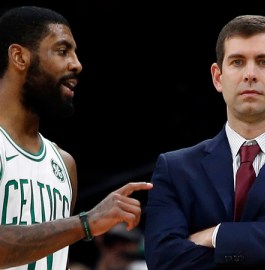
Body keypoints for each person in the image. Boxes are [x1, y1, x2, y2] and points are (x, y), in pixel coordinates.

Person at [0, 5, 153, 270]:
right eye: (62, 51)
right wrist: (86, 222)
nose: (76, 64)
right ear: (19, 57)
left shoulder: (64, 164)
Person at [144, 14, 265, 270]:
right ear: (217, 77)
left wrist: (217, 236)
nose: (250, 74)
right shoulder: (175, 168)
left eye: (264, 62)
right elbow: (163, 260)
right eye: (237, 62)